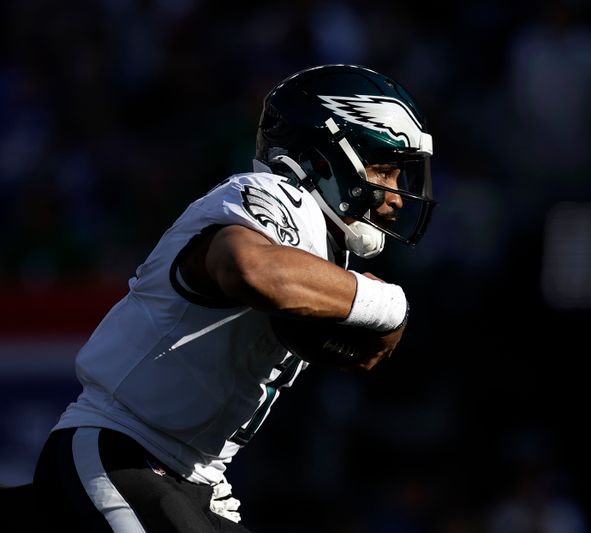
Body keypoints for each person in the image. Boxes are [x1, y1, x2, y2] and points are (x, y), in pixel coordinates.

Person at [30, 64, 436, 532]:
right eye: (384, 168)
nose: (398, 196)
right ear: (325, 160)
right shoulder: (267, 194)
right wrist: (387, 305)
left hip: (197, 478)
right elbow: (250, 268)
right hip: (120, 447)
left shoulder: (322, 246)